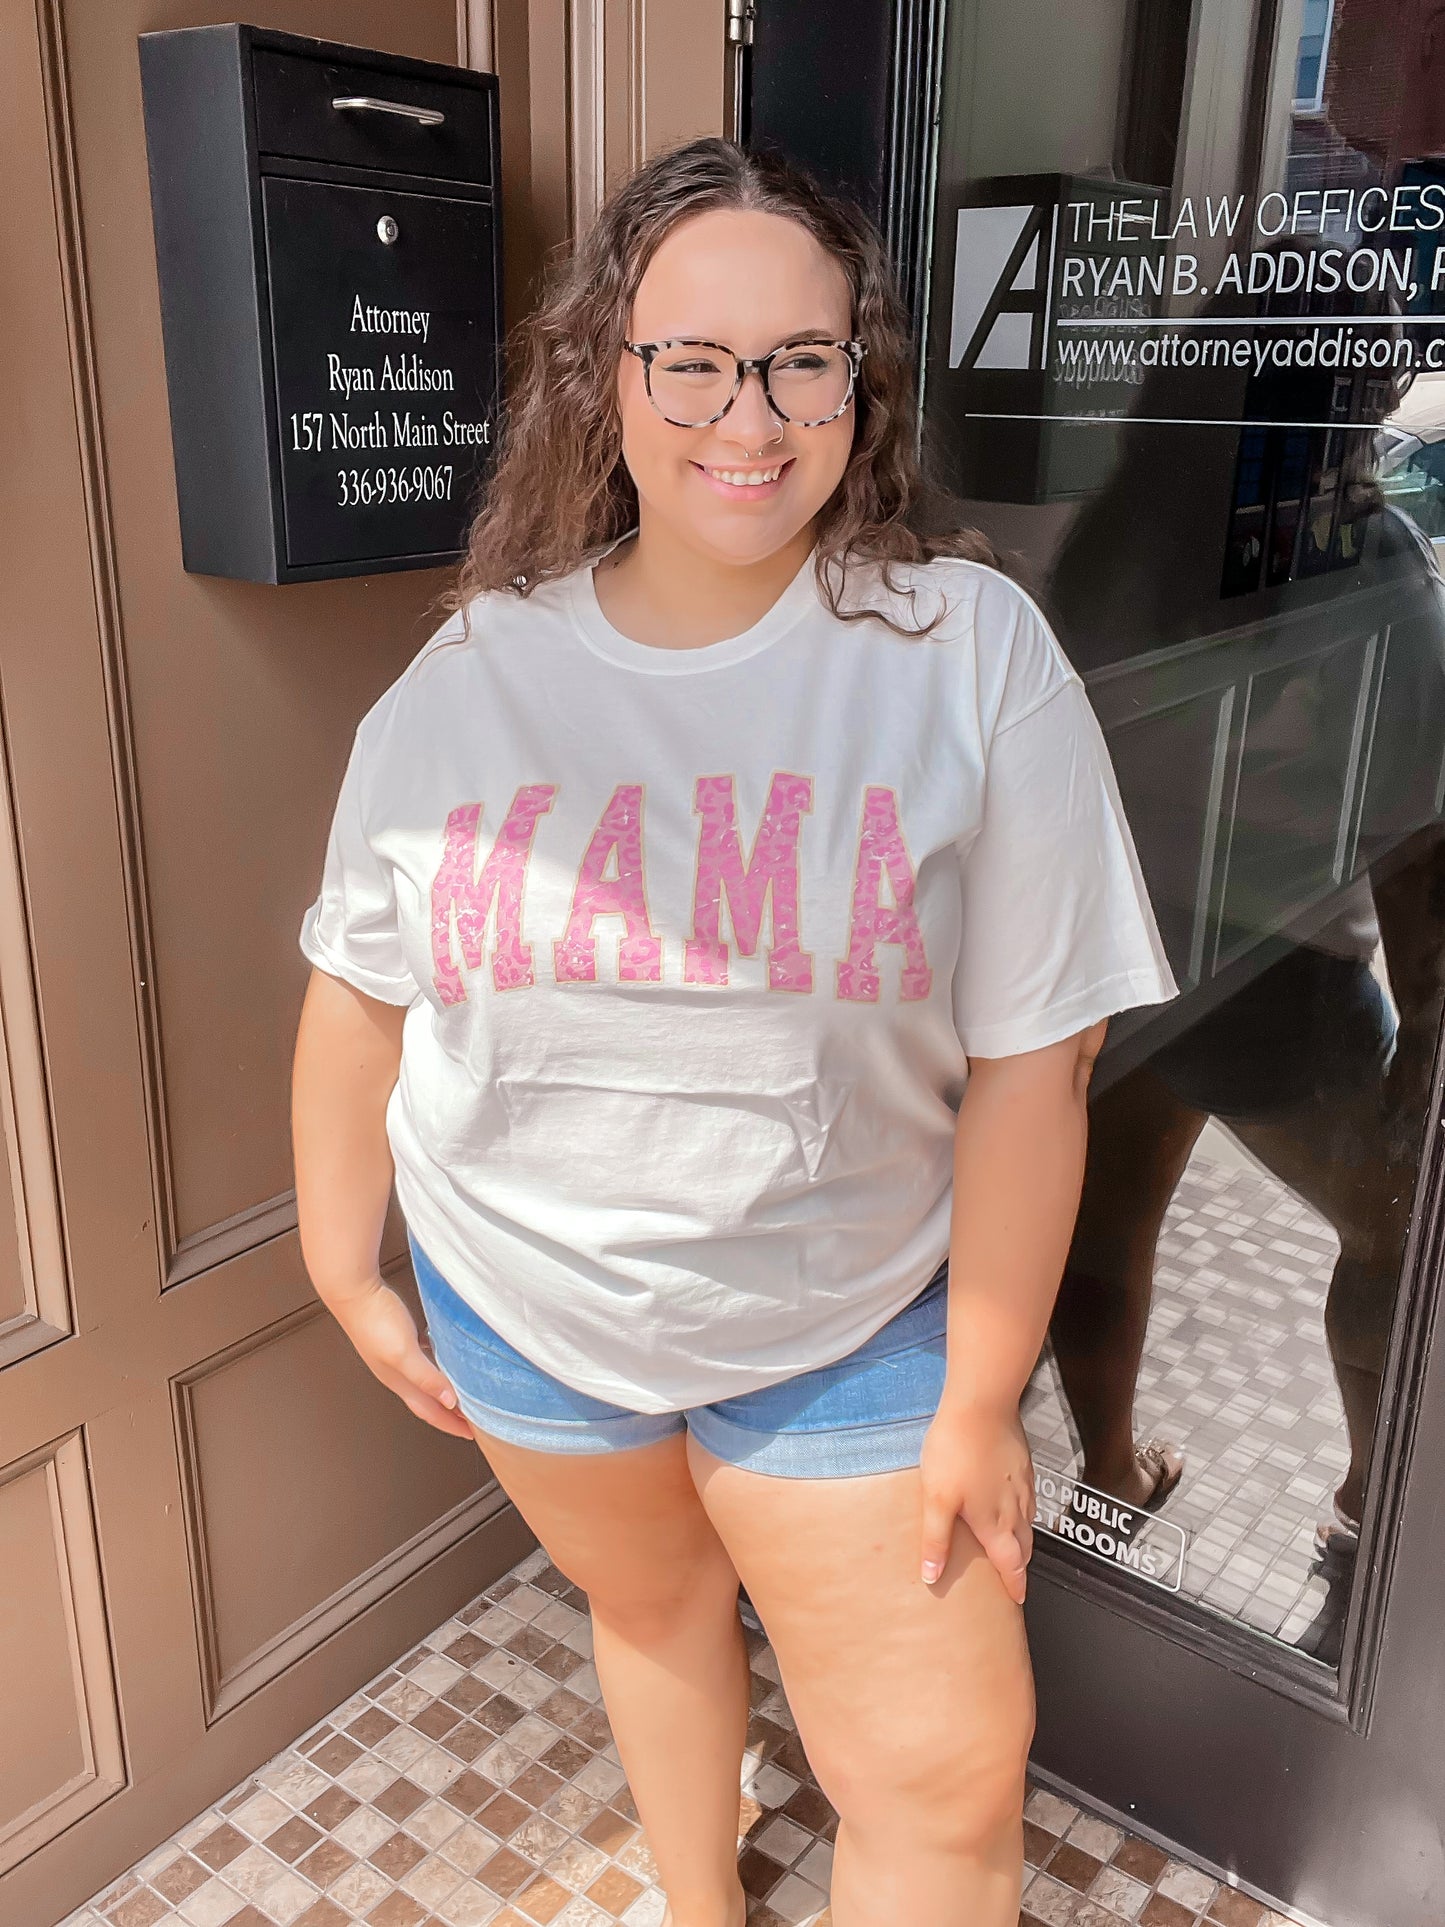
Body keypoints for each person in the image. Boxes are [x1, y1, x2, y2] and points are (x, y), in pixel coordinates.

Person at [290, 137, 1175, 1927]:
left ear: (861, 380)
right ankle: (701, 1907)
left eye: (800, 359)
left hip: (843, 1321)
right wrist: (340, 1263)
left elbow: (1036, 1058)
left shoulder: (962, 651)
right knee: (654, 1614)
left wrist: (980, 1397)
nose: (746, 415)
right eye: (688, 358)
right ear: (602, 378)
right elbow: (360, 988)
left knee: (938, 1774)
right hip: (528, 1308)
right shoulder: (471, 675)